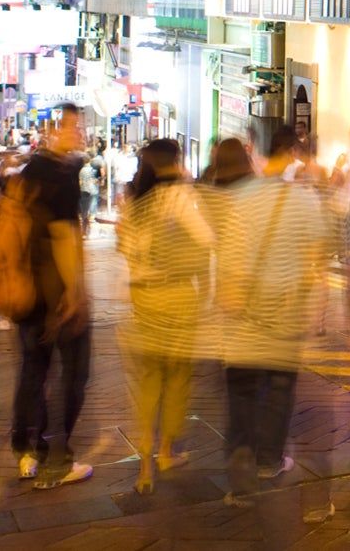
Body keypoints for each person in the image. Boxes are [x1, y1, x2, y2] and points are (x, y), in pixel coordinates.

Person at [209, 131, 321, 500]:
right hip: (285, 311)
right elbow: (313, 263)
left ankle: (241, 454)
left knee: (242, 390)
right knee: (279, 388)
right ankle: (268, 460)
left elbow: (226, 258)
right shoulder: (304, 199)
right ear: (290, 155)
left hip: (243, 315)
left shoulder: (239, 199)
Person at [117, 139, 212, 496]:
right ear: (173, 162)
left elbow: (126, 251)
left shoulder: (134, 204)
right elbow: (206, 239)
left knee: (148, 382)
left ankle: (145, 463)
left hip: (143, 299)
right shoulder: (178, 198)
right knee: (177, 378)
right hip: (178, 297)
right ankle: (167, 452)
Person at [12, 103, 93, 489]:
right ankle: (56, 460)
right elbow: (62, 236)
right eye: (75, 126)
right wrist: (75, 293)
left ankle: (27, 452)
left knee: (33, 370)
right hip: (54, 295)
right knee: (73, 376)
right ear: (59, 128)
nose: (79, 133)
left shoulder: (29, 172)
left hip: (25, 290)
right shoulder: (61, 175)